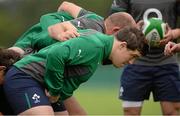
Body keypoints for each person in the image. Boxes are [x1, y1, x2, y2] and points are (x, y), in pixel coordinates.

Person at [2, 27, 148, 115]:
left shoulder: (99, 46)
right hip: (25, 77)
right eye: (133, 56)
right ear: (122, 46)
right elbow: (56, 55)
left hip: (39, 83)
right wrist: (54, 90)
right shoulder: (95, 45)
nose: (131, 62)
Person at [109, 0, 180, 115]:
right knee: (131, 112)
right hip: (134, 61)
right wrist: (135, 32)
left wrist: (173, 34)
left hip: (167, 62)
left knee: (171, 112)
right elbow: (114, 23)